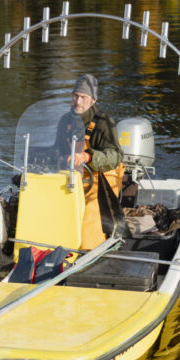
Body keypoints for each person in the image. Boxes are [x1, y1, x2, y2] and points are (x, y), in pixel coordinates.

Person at [68, 74, 127, 249]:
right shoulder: (65, 121)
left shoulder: (104, 123)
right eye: (76, 96)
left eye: (83, 97)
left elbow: (116, 155)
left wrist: (88, 157)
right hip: (73, 174)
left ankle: (88, 250)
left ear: (93, 100)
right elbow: (58, 148)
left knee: (91, 214)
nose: (78, 101)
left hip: (101, 175)